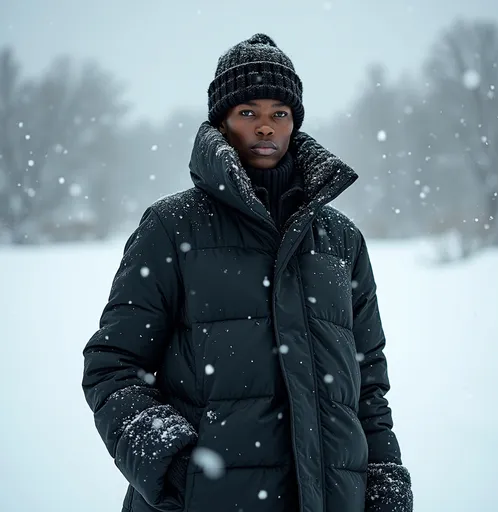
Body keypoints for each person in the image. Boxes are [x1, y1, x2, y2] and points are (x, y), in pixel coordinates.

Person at [82, 33, 413, 512]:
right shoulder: (173, 227)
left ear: (294, 122)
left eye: (279, 113)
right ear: (222, 122)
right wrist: (176, 468)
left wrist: (384, 484)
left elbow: (368, 386)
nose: (265, 127)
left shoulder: (341, 239)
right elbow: (112, 365)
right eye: (248, 112)